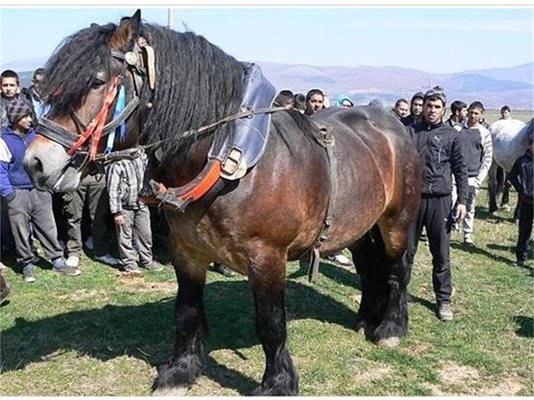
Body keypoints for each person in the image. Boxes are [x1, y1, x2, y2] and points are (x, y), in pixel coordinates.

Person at [405, 87, 468, 321]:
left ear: (443, 109)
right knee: (405, 252)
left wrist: (462, 201)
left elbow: (461, 170)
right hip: (413, 201)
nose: (431, 110)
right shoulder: (410, 131)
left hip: (440, 201)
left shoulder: (452, 135)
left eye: (436, 106)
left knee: (440, 253)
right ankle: (399, 296)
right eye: (428, 106)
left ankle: (443, 301)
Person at [0, 99, 79, 282]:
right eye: (25, 116)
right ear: (15, 118)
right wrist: (9, 195)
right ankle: (27, 263)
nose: (29, 119)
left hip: (39, 190)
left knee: (47, 225)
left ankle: (57, 260)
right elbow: (1, 171)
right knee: (20, 230)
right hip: (17, 193)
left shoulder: (36, 135)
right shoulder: (4, 140)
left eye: (29, 115)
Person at [106, 149, 164, 274]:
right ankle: (130, 264)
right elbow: (112, 189)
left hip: (141, 204)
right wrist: (117, 212)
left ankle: (147, 260)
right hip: (124, 207)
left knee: (146, 234)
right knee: (124, 236)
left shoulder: (142, 157)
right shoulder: (117, 164)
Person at [63, 166, 119, 269]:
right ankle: (74, 252)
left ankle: (101, 252)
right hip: (75, 174)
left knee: (99, 217)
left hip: (98, 174)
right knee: (73, 216)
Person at [453, 101, 493, 245]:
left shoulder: (484, 133)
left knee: (469, 206)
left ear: (482, 115)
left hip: (472, 176)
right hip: (453, 176)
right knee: (450, 202)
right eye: (470, 112)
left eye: (476, 113)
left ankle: (467, 235)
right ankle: (449, 229)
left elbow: (487, 158)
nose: (472, 116)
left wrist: (478, 180)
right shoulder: (457, 130)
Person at [508, 133, 533, 267]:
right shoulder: (522, 161)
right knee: (524, 230)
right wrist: (520, 189)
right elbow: (512, 176)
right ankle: (521, 258)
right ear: (530, 144)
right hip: (526, 201)